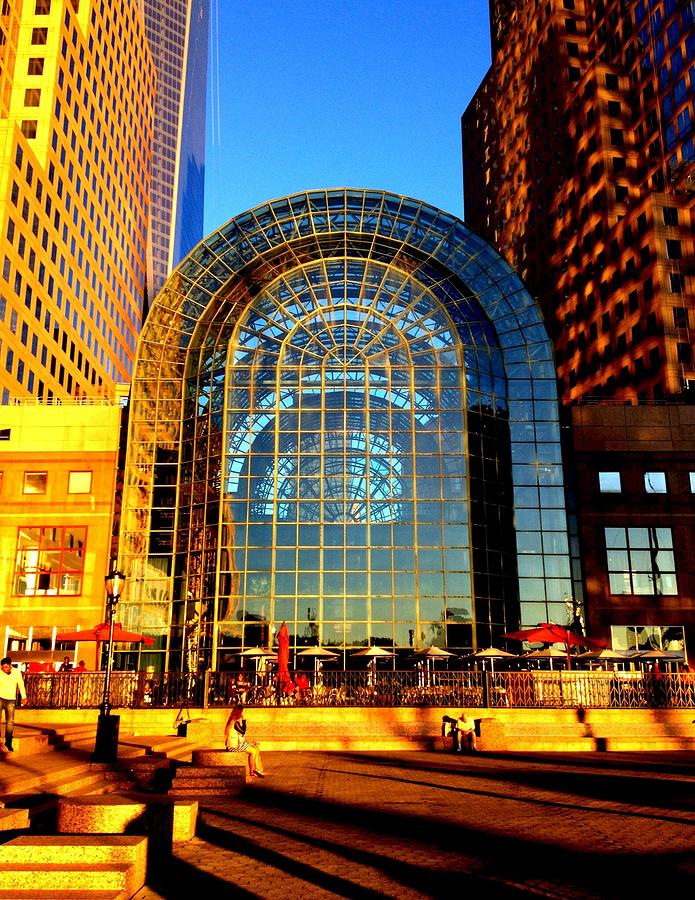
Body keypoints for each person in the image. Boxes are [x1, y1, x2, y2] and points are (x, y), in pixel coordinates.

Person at [224, 704, 265, 777]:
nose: (242, 713)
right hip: (233, 746)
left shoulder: (233, 719)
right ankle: (253, 771)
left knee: (256, 747)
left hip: (238, 743)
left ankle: (257, 769)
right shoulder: (234, 721)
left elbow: (241, 733)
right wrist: (243, 720)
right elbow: (243, 731)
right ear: (238, 712)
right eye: (241, 712)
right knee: (253, 751)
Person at [0, 657, 27, 752]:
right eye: (3, 667)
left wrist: (24, 696)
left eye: (6, 667)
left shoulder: (16, 672)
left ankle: (8, 741)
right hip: (0, 698)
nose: (4, 669)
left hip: (11, 699)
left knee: (10, 721)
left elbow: (21, 684)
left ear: (10, 665)